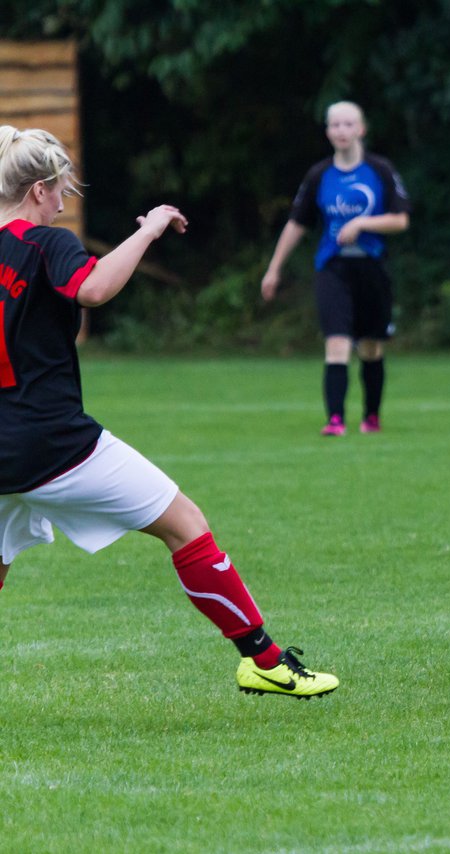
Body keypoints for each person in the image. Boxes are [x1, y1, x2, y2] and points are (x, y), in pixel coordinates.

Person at [0, 126, 338, 699]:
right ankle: (264, 660)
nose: (63, 203)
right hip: (53, 443)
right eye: (60, 191)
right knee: (186, 525)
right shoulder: (43, 242)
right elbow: (95, 287)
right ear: (37, 190)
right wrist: (150, 228)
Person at [262, 101, 410, 436]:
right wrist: (274, 269)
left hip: (372, 268)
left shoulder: (380, 169)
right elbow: (297, 223)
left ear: (361, 129)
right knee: (337, 342)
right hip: (333, 269)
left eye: (348, 124)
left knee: (371, 346)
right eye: (334, 125)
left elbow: (401, 220)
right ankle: (336, 420)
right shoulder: (319, 175)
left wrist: (362, 223)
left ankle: (371, 417)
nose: (341, 130)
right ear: (328, 131)